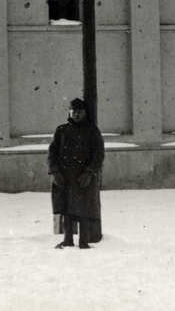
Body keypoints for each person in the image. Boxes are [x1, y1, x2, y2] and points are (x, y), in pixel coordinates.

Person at [48, 97, 103, 248]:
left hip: (83, 177)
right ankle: (68, 240)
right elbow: (52, 154)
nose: (76, 114)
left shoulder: (92, 131)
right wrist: (55, 172)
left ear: (84, 113)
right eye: (73, 111)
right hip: (65, 177)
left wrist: (89, 173)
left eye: (79, 112)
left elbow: (98, 155)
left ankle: (84, 242)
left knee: (84, 210)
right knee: (66, 210)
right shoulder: (61, 130)